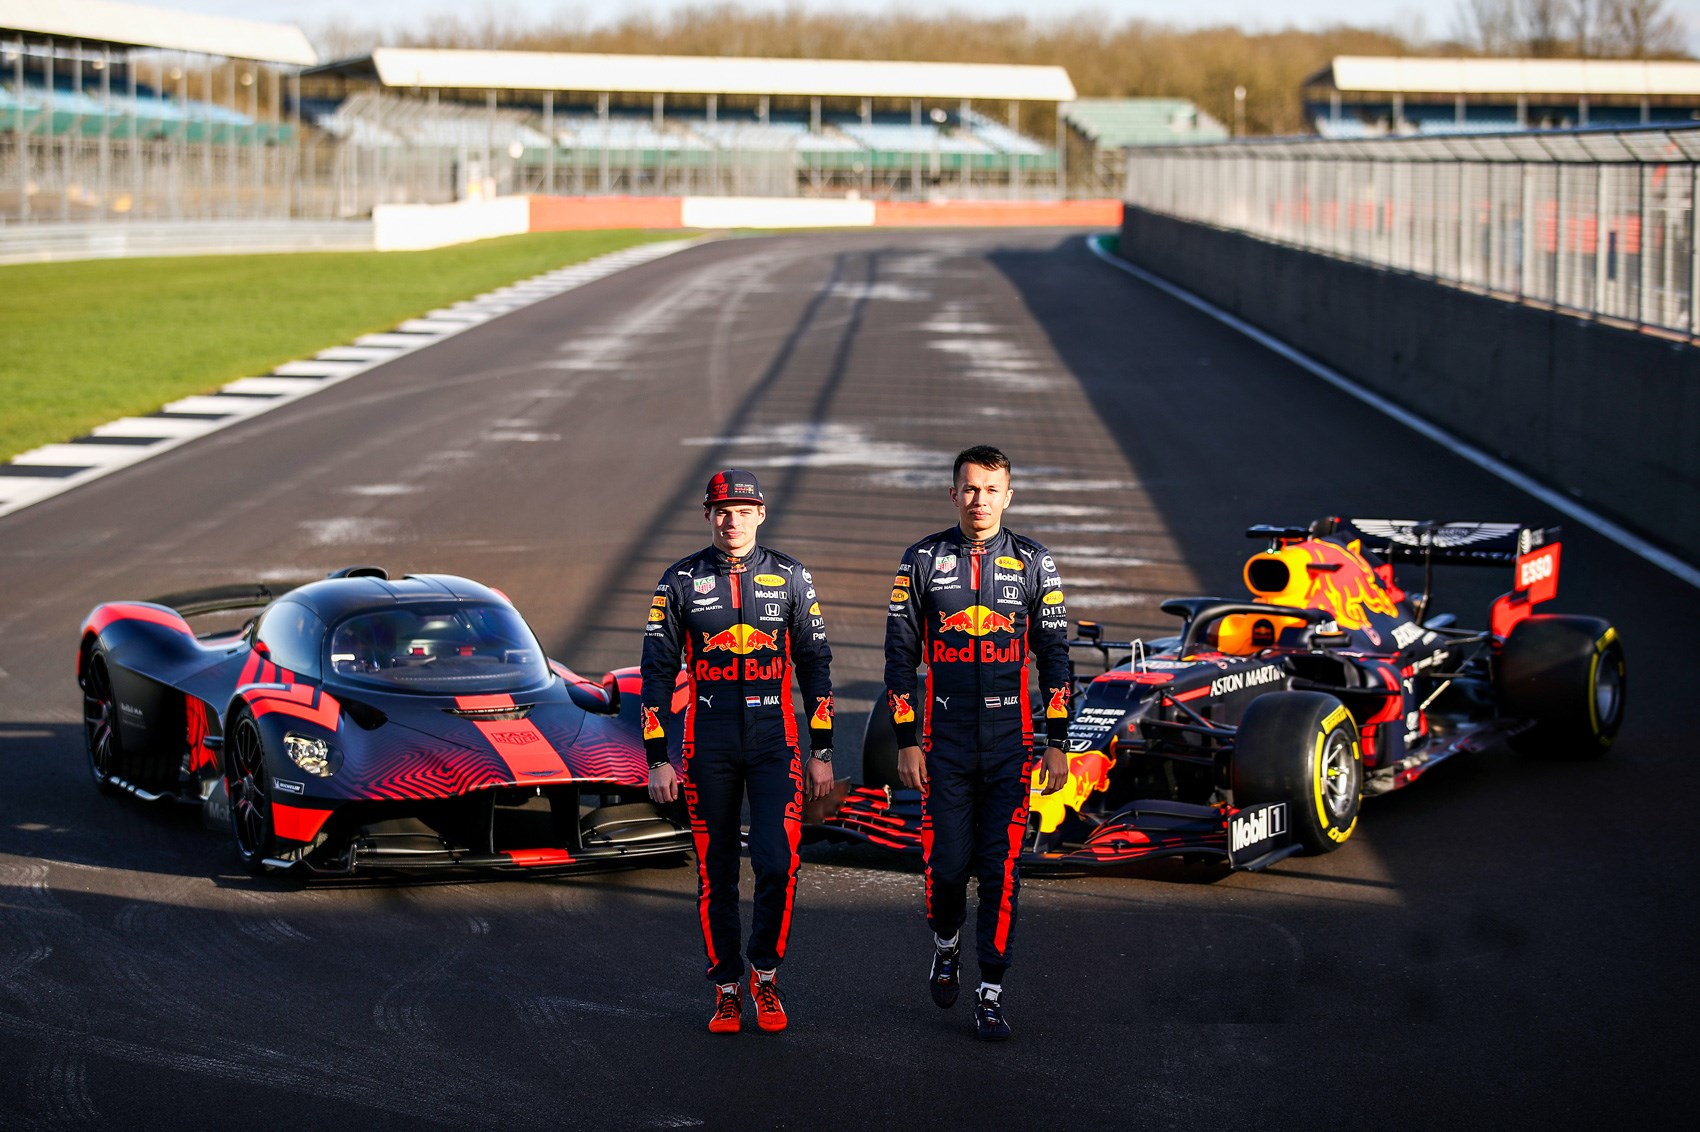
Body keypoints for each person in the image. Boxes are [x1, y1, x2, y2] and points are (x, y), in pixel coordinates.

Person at [884, 445, 1071, 1041]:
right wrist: (906, 741)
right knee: (946, 868)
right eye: (969, 489)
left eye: (991, 490)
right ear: (952, 494)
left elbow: (1056, 658)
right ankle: (946, 944)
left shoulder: (1036, 563)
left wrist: (1057, 742)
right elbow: (898, 658)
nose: (979, 501)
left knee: (1002, 871)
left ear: (1008, 496)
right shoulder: (920, 560)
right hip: (944, 746)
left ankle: (990, 993)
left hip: (1012, 745)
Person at [642, 469, 835, 1035]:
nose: (732, 520)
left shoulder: (792, 577)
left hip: (777, 739)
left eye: (743, 509)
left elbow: (816, 665)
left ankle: (766, 975)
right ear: (708, 515)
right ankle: (727, 988)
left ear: (761, 513)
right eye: (722, 510)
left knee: (778, 861)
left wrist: (822, 748)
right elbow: (656, 674)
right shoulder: (678, 580)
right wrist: (658, 757)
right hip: (709, 741)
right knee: (716, 872)